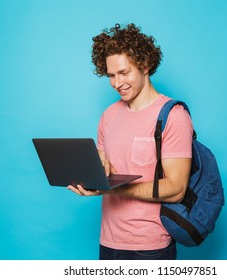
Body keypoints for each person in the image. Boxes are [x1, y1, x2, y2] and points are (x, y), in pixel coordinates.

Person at [67, 23, 193, 260]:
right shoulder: (108, 116)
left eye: (124, 73)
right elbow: (103, 168)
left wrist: (117, 189)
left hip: (151, 246)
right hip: (108, 241)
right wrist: (89, 179)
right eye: (111, 75)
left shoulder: (173, 116)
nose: (117, 83)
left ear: (145, 65)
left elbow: (176, 189)